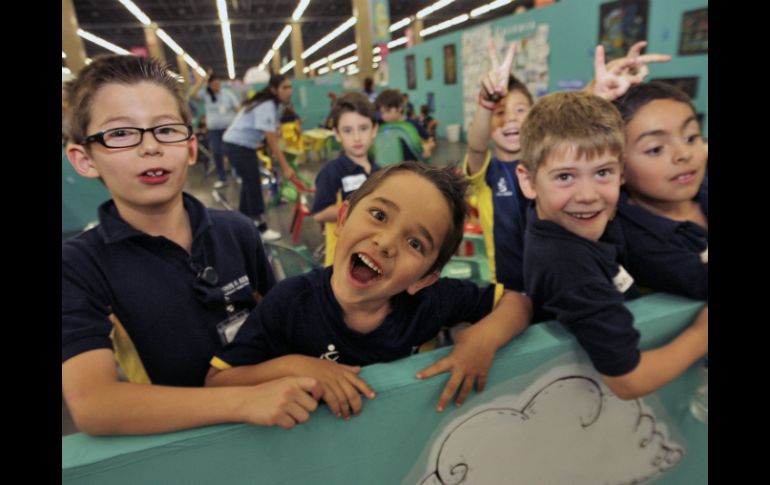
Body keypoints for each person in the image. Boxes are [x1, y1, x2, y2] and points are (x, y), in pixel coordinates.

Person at [62, 55, 321, 435]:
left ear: (191, 147)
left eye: (166, 129)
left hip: (273, 429)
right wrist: (244, 401)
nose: (150, 146)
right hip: (176, 446)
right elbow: (95, 403)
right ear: (84, 159)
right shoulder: (78, 265)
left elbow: (281, 322)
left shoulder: (237, 230)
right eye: (120, 133)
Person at [206, 162, 533, 418]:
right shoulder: (290, 301)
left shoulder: (430, 300)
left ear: (424, 278)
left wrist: (483, 340)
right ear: (343, 218)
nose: (386, 242)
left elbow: (518, 302)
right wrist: (296, 366)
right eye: (379, 215)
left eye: (415, 243)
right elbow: (218, 381)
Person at [514, 91, 708, 399]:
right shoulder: (568, 266)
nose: (588, 195)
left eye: (603, 172)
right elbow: (629, 381)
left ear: (621, 173)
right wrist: (701, 334)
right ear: (528, 181)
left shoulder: (566, 222)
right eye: (565, 177)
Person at [611, 81, 708, 300]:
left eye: (691, 137)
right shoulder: (634, 240)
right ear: (617, 168)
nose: (683, 154)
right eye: (655, 149)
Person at [463, 43, 533, 292]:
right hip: (507, 285)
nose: (511, 118)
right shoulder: (487, 172)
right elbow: (476, 147)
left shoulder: (546, 163)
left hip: (550, 277)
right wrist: (486, 104)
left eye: (520, 110)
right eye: (500, 112)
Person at [223, 74, 296, 241]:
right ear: (274, 90)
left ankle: (241, 222)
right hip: (237, 145)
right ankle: (260, 229)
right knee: (254, 185)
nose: (289, 91)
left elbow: (272, 132)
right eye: (284, 87)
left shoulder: (276, 105)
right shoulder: (267, 105)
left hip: (242, 146)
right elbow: (271, 139)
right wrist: (285, 166)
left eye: (290, 87)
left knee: (249, 184)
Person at [312, 92, 381, 266]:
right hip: (341, 260)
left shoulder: (380, 172)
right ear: (337, 134)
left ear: (374, 130)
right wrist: (363, 210)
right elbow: (320, 213)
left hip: (374, 256)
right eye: (348, 130)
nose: (357, 137)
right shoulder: (331, 172)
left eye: (363, 128)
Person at [189, 72, 241, 189]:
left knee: (232, 152)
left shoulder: (227, 94)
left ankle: (237, 174)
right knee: (217, 153)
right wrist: (201, 81)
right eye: (214, 84)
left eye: (218, 83)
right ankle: (222, 179)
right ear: (209, 85)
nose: (216, 86)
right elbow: (192, 94)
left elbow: (238, 108)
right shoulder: (206, 95)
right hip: (214, 131)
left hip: (228, 130)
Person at [375, 89, 435, 161]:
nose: (384, 116)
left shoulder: (412, 124)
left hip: (412, 165)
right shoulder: (382, 126)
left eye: (388, 111)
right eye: (382, 113)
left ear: (399, 108)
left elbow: (430, 140)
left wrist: (428, 148)